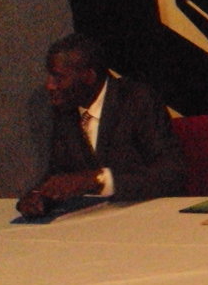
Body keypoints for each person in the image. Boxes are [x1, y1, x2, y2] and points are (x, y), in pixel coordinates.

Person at [17, 33, 187, 218]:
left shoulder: (137, 101)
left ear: (89, 76)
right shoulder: (65, 110)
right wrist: (39, 196)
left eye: (58, 77)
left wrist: (98, 180)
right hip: (96, 220)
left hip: (148, 216)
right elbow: (60, 172)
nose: (49, 85)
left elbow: (171, 173)